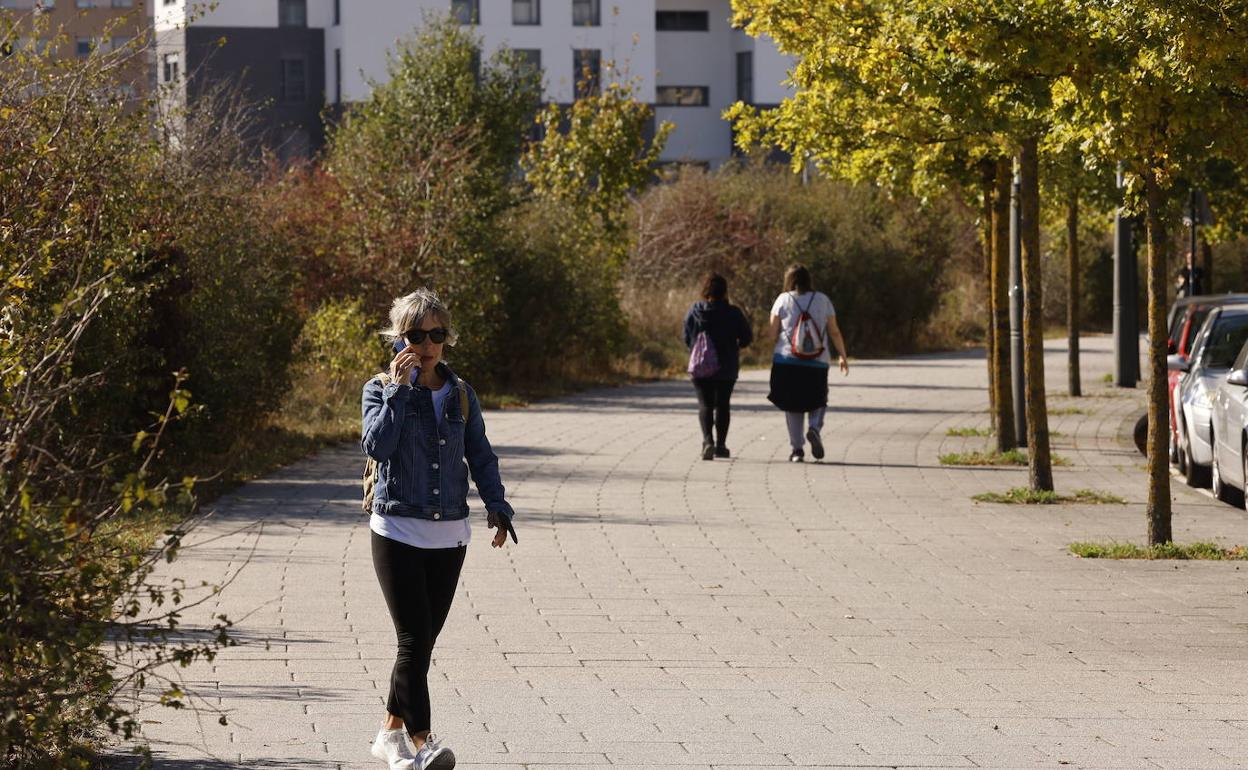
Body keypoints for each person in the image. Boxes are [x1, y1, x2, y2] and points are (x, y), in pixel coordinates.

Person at [361, 288, 517, 770]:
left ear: (447, 338)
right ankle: (424, 741)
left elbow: (481, 454)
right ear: (397, 338)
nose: (426, 344)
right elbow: (377, 446)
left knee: (422, 641)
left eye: (436, 334)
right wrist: (401, 390)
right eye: (415, 334)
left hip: (450, 534)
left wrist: (497, 505)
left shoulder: (462, 394)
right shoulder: (378, 389)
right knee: (412, 639)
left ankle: (389, 735)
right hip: (396, 528)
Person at [767, 264, 849, 462]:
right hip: (817, 361)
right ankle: (814, 427)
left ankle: (797, 450)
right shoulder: (823, 300)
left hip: (787, 360)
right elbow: (834, 331)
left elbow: (772, 333)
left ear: (789, 280)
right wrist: (843, 355)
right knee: (818, 398)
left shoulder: (782, 299)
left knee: (792, 405)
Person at [683, 273, 753, 460]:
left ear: (705, 290)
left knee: (705, 404)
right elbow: (746, 338)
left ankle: (708, 441)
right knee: (722, 404)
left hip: (700, 365)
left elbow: (686, 337)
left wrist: (696, 349)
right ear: (725, 291)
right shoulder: (733, 313)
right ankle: (721, 445)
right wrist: (735, 346)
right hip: (726, 365)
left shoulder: (694, 311)